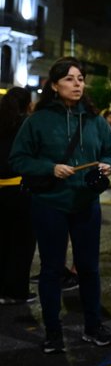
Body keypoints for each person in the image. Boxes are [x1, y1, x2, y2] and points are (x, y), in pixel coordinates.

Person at [9, 57, 111, 353]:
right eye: (69, 79)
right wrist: (49, 168)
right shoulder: (38, 121)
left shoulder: (95, 120)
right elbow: (18, 159)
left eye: (80, 78)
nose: (77, 83)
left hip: (86, 203)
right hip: (49, 204)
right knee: (51, 269)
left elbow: (109, 153)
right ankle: (53, 332)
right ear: (54, 85)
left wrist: (107, 165)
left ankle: (92, 326)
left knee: (89, 269)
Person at [0, 88, 37, 305]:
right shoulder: (27, 124)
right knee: (22, 243)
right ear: (27, 104)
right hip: (19, 189)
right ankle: (16, 289)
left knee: (2, 240)